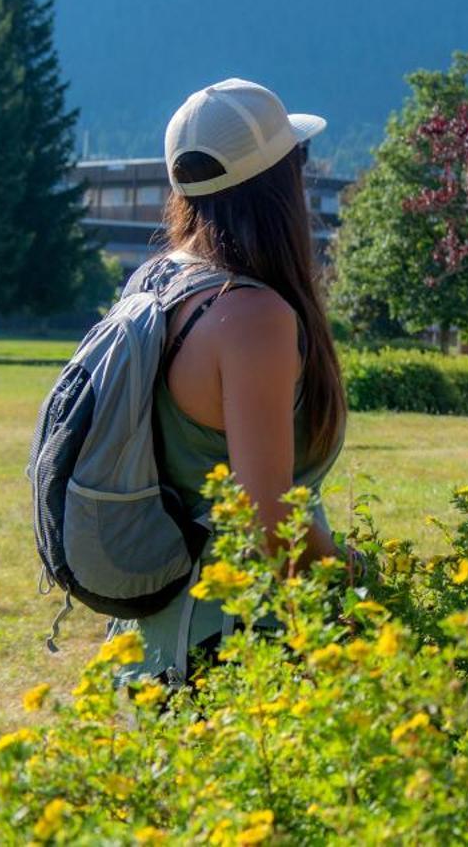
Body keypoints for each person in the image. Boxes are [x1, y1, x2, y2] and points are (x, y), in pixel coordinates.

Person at [111, 78, 353, 681]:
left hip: (150, 641)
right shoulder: (252, 318)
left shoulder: (155, 283)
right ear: (279, 182)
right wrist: (355, 575)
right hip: (238, 647)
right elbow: (268, 526)